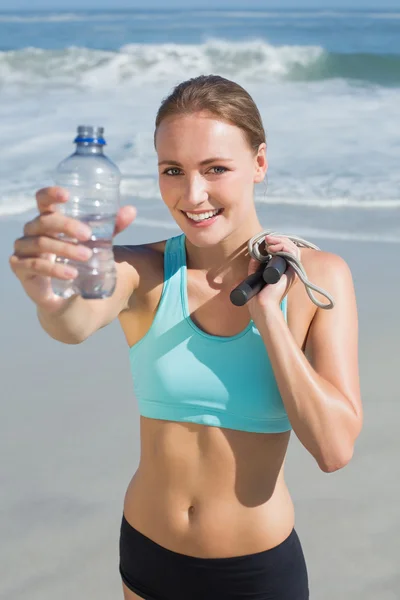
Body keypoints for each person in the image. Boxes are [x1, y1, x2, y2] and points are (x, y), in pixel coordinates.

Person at [9, 75, 362, 600]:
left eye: (215, 169)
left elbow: (334, 449)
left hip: (254, 574)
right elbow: (73, 325)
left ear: (259, 163)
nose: (192, 194)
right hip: (148, 556)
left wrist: (268, 317)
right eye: (172, 170)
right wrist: (50, 297)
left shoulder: (318, 279)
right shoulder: (142, 269)